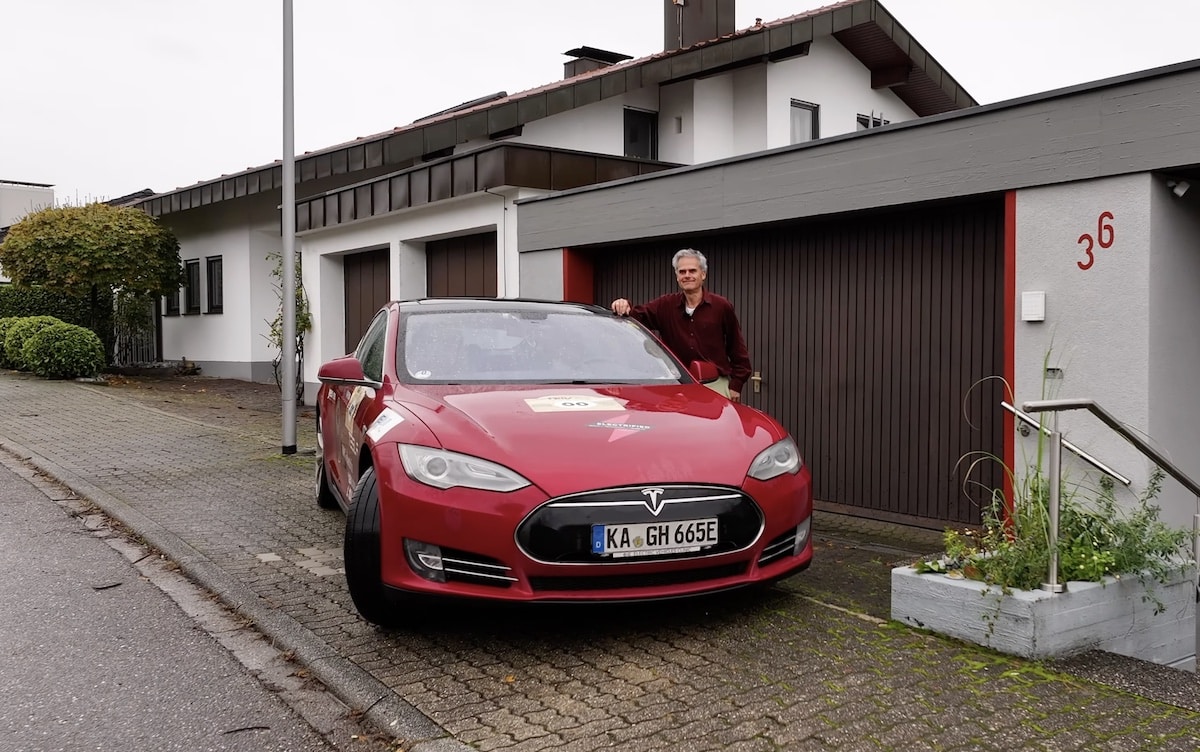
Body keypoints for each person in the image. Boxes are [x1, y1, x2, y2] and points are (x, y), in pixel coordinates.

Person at [610, 248, 752, 402]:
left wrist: (736, 385)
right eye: (682, 272)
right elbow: (635, 316)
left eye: (692, 271)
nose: (687, 276)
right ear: (677, 276)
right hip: (675, 387)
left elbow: (737, 349)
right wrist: (623, 305)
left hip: (714, 386)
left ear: (703, 274)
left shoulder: (721, 306)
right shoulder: (665, 305)